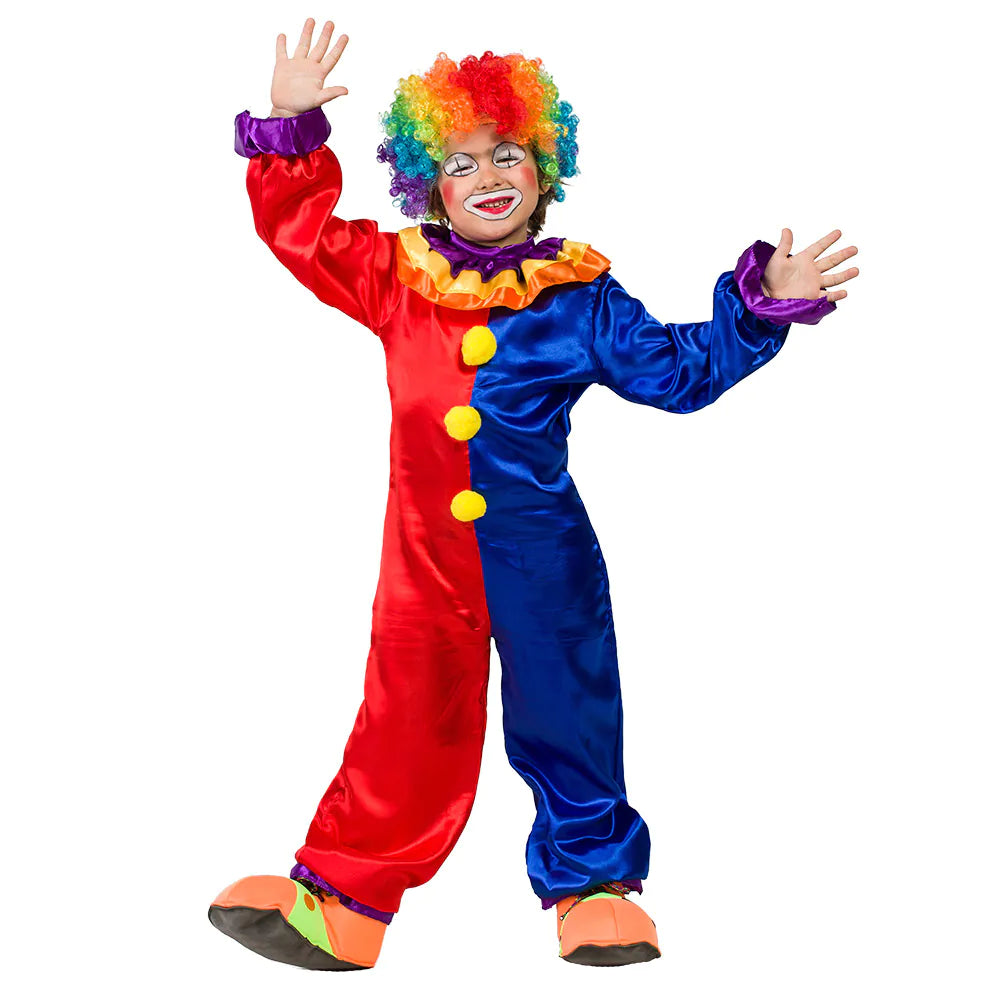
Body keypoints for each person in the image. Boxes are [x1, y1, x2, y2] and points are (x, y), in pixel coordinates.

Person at [208, 17, 860, 970]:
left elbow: (677, 374)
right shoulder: (399, 277)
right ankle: (345, 900)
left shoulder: (577, 294)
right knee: (403, 718)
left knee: (568, 712)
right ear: (427, 182)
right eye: (460, 162)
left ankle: (594, 888)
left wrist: (758, 310)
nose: (488, 177)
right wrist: (291, 130)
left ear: (544, 166)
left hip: (543, 555)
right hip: (422, 563)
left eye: (507, 153)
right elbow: (301, 235)